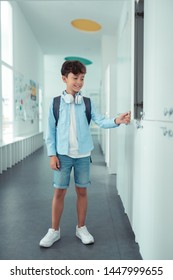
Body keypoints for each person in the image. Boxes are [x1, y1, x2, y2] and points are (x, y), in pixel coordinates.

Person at [39, 60, 131, 247]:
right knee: (59, 192)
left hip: (82, 156)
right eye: (75, 78)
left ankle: (81, 228)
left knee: (82, 191)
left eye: (82, 78)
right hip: (62, 155)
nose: (79, 82)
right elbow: (50, 131)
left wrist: (116, 120)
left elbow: (101, 121)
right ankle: (54, 231)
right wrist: (52, 155)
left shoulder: (87, 103)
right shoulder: (55, 103)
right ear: (64, 78)